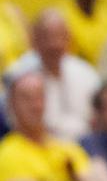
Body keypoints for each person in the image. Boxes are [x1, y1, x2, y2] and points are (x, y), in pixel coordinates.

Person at [5, 9, 102, 142]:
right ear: (33, 41)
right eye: (46, 37)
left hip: (84, 149)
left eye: (59, 37)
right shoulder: (19, 75)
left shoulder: (87, 74)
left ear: (69, 40)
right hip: (36, 148)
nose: (54, 44)